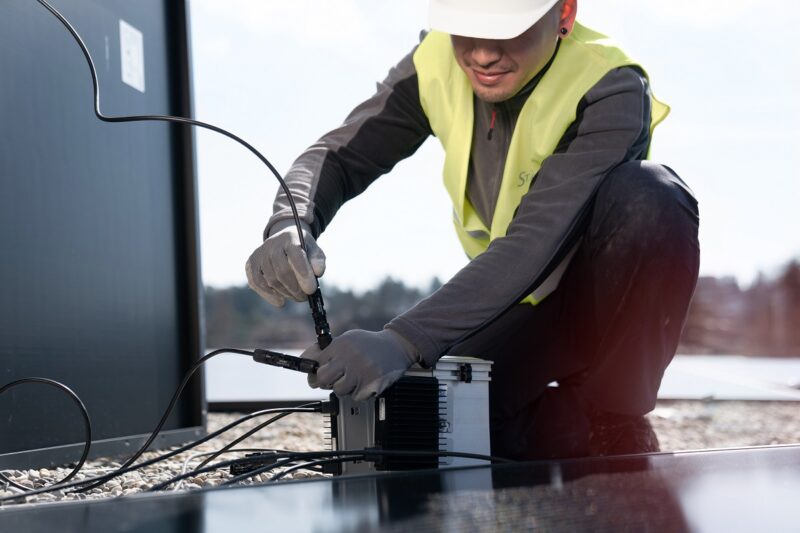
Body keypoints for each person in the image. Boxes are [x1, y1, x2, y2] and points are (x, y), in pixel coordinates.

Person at [245, 0, 700, 460]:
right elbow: (340, 155)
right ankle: (575, 425)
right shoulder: (436, 62)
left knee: (651, 197)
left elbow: (537, 240)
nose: (483, 55)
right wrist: (291, 220)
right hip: (514, 300)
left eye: (507, 32)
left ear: (563, 14)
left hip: (594, 296)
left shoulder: (610, 85)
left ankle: (616, 419)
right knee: (437, 437)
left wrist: (404, 340)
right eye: (466, 31)